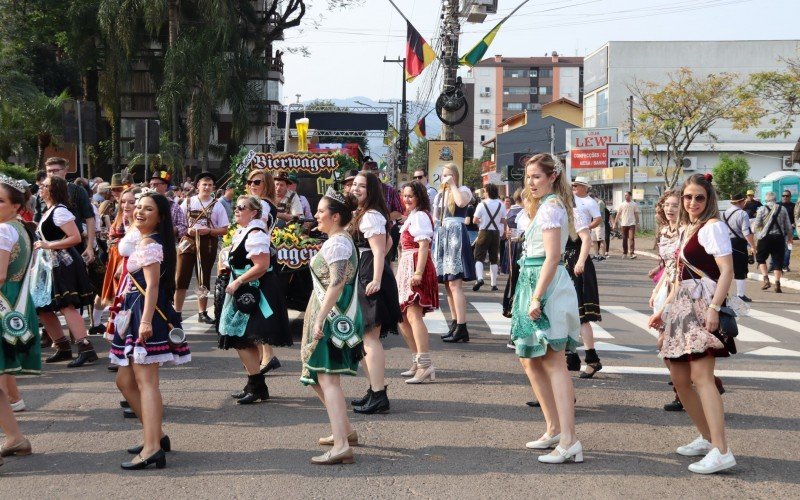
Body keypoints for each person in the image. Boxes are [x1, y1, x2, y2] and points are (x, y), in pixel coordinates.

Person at [648, 173, 737, 474]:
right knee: (680, 378)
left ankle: (721, 449)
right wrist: (664, 309)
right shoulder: (688, 227)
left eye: (699, 197)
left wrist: (714, 308)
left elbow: (726, 272)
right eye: (688, 197)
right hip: (680, 307)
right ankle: (707, 437)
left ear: (709, 199)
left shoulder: (713, 227)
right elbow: (678, 275)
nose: (692, 202)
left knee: (702, 377)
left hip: (701, 307)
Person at [510, 153, 583, 464]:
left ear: (553, 177)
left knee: (553, 362)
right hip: (531, 280)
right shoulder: (542, 207)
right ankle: (553, 428)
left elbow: (553, 257)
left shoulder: (552, 208)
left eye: (537, 176)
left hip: (545, 284)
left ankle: (569, 440)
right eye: (528, 177)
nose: (531, 182)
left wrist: (537, 297)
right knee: (530, 359)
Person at [109, 192, 190, 470]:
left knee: (146, 383)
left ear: (160, 217)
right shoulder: (142, 239)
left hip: (146, 312)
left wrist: (144, 321)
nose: (139, 212)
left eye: (148, 209)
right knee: (124, 380)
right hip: (135, 309)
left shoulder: (150, 243)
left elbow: (153, 286)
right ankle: (156, 435)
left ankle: (153, 447)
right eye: (138, 207)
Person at [301, 189, 362, 465]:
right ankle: (345, 431)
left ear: (335, 216)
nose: (316, 215)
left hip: (331, 312)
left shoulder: (337, 243)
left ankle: (340, 446)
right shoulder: (338, 240)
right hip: (327, 308)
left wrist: (319, 317)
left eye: (321, 211)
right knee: (317, 376)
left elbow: (337, 283)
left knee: (328, 378)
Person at [218, 195, 291, 404]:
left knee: (243, 339)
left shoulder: (256, 233)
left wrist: (238, 281)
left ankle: (257, 385)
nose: (237, 210)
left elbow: (261, 266)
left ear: (254, 213)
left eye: (242, 207)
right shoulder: (243, 232)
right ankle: (255, 384)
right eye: (236, 207)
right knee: (241, 340)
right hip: (243, 291)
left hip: (255, 293)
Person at [348, 171, 402, 414]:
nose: (356, 189)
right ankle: (373, 390)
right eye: (354, 185)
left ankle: (379, 394)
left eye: (362, 186)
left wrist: (377, 279)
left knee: (370, 338)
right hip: (365, 272)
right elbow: (388, 243)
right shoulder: (366, 213)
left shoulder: (370, 215)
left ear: (372, 191)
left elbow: (381, 251)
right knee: (364, 337)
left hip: (370, 274)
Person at [34, 175, 98, 367]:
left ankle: (85, 347)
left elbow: (75, 237)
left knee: (66, 304)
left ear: (53, 190)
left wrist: (49, 244)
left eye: (44, 186)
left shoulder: (60, 211)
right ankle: (62, 347)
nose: (40, 188)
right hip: (49, 264)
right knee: (43, 306)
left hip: (64, 263)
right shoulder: (49, 210)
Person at [0, 176, 40, 442]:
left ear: (15, 206)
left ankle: (15, 437)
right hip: (15, 301)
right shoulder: (20, 227)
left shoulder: (3, 230)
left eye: (0, 201)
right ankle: (15, 437)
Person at [396, 181, 439, 384]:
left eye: (410, 196)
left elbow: (423, 246)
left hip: (415, 265)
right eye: (404, 196)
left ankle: (424, 364)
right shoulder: (413, 216)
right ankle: (417, 360)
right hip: (408, 265)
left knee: (413, 315)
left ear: (420, 197)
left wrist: (418, 272)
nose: (406, 199)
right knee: (403, 317)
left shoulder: (421, 216)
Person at [175, 173, 229, 323]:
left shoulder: (217, 205)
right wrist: (187, 230)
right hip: (188, 242)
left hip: (208, 243)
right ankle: (177, 312)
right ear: (197, 186)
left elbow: (224, 229)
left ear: (213, 188)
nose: (207, 187)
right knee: (181, 278)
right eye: (204, 184)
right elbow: (179, 223)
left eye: (210, 185)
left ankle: (202, 312)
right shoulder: (187, 202)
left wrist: (210, 231)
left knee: (203, 278)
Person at [244, 168, 283, 374]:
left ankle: (267, 355)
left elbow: (258, 228)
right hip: (258, 254)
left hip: (258, 256)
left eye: (257, 182)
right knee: (256, 307)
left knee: (257, 307)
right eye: (250, 181)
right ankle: (264, 355)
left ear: (266, 184)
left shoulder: (263, 205)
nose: (252, 184)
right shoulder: (260, 203)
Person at [567, 177, 604, 378]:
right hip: (561, 265)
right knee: (564, 314)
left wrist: (580, 262)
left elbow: (586, 239)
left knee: (580, 315)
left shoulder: (576, 212)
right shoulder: (557, 212)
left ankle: (591, 359)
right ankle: (571, 356)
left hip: (575, 263)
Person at [434, 164, 476, 343]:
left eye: (449, 175)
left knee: (455, 283)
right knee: (447, 284)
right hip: (444, 235)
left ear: (456, 176)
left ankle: (462, 326)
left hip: (456, 235)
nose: (446, 178)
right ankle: (454, 323)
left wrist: (452, 185)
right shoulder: (440, 195)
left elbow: (461, 203)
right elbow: (436, 216)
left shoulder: (462, 190)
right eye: (444, 175)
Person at [37, 158, 97, 265]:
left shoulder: (77, 190)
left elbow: (90, 218)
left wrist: (90, 247)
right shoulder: (42, 193)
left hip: (73, 247)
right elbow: (38, 220)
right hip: (48, 251)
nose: (51, 174)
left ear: (65, 170)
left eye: (55, 170)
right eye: (49, 171)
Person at [752, 191, 792, 293]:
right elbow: (788, 226)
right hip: (779, 238)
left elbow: (755, 226)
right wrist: (790, 239)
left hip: (765, 238)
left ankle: (766, 279)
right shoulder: (782, 209)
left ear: (766, 199)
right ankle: (777, 283)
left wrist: (758, 236)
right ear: (775, 199)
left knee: (760, 259)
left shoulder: (761, 209)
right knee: (778, 261)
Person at [472, 183, 507, 292]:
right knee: (494, 258)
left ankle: (480, 279)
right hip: (496, 232)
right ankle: (494, 284)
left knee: (479, 257)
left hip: (484, 232)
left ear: (487, 192)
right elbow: (503, 220)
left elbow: (475, 220)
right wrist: (504, 231)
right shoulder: (501, 204)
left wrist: (483, 221)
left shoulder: (482, 204)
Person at [721, 193, 756, 302]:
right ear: (741, 202)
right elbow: (746, 232)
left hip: (726, 242)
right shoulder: (742, 214)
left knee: (726, 269)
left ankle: (723, 294)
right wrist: (752, 246)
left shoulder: (724, 214)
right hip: (739, 243)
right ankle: (740, 294)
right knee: (740, 268)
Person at [148, 171, 188, 241]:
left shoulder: (174, 206)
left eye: (156, 184)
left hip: (167, 244)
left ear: (165, 186)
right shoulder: (143, 203)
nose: (152, 187)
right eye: (151, 184)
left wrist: (169, 230)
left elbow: (183, 227)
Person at [613, 191, 639, 259]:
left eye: (627, 195)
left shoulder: (634, 204)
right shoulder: (622, 204)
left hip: (632, 224)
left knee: (631, 238)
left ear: (630, 196)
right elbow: (618, 214)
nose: (625, 197)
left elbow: (636, 214)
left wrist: (638, 222)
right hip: (624, 224)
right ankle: (625, 252)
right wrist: (614, 223)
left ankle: (632, 253)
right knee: (624, 239)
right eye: (625, 195)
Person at [779, 190, 795, 272]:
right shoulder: (777, 205)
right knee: (777, 248)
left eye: (787, 196)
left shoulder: (793, 206)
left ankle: (785, 265)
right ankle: (775, 266)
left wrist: (794, 223)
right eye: (783, 195)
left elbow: (797, 216)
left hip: (789, 230)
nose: (785, 197)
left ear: (790, 197)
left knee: (788, 248)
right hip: (779, 230)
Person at [591, 193, 607, 261]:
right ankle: (596, 255)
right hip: (594, 224)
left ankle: (603, 255)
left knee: (601, 240)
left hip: (600, 224)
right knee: (594, 240)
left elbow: (598, 214)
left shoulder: (600, 203)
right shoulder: (594, 204)